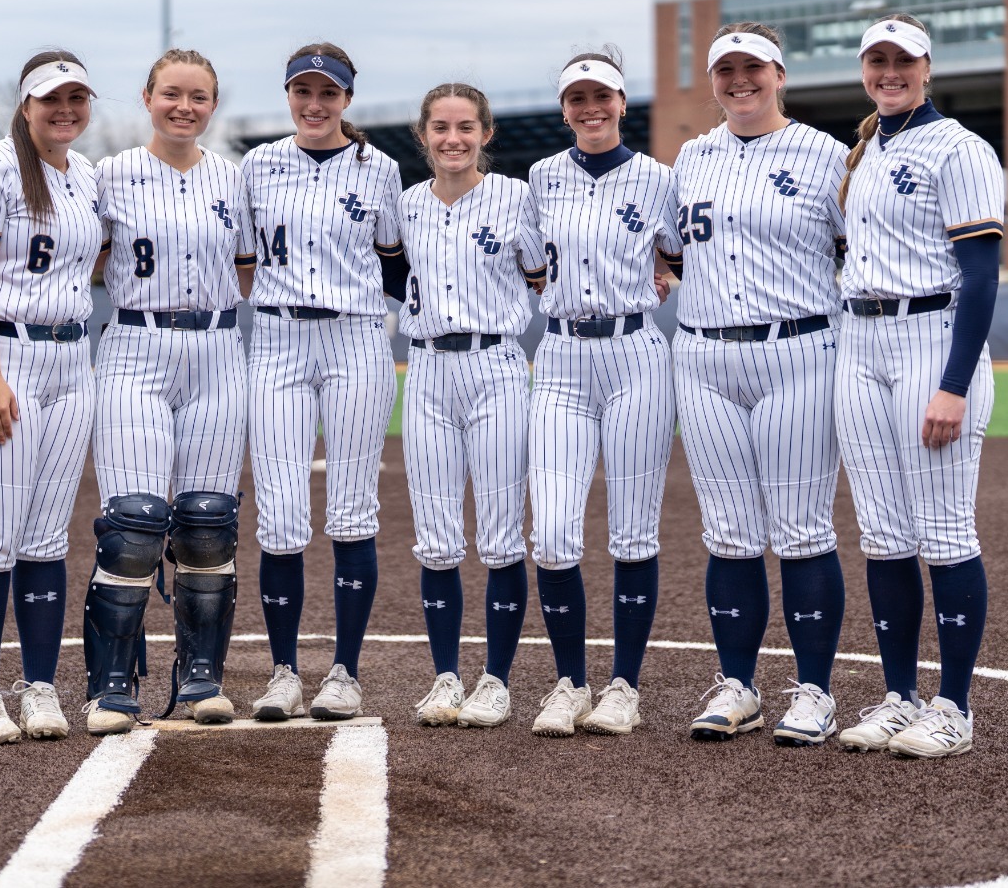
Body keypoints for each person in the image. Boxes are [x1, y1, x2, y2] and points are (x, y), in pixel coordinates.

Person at [671, 24, 851, 744]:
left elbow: (859, 247)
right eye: (726, 69)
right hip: (704, 355)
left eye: (753, 67)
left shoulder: (827, 154)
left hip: (797, 349)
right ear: (713, 80)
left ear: (780, 74)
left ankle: (815, 692)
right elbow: (670, 248)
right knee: (729, 532)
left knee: (802, 528)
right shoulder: (691, 157)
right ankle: (738, 686)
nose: (739, 80)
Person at [832, 14, 1003, 758]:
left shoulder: (960, 148)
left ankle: (954, 706)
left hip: (932, 338)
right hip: (860, 340)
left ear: (928, 67)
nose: (890, 72)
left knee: (945, 531)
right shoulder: (868, 147)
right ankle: (899, 695)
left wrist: (954, 384)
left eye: (903, 60)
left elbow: (982, 275)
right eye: (877, 59)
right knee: (883, 535)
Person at [82, 49, 249, 733]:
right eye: (172, 93)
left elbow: (251, 267)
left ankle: (201, 675)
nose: (185, 106)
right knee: (134, 524)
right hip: (135, 344)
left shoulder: (235, 179)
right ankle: (110, 684)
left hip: (217, 349)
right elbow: (77, 253)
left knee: (208, 523)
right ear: (147, 98)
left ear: (214, 105)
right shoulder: (109, 175)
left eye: (198, 96)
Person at [0, 50, 103, 745]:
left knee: (45, 538)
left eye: (76, 98)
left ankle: (39, 686)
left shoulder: (85, 175)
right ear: (26, 104)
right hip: (3, 355)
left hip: (71, 358)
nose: (64, 110)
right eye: (50, 99)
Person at [240, 43, 405, 721]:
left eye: (327, 92)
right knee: (280, 516)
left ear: (346, 99)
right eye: (303, 90)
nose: (314, 103)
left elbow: (397, 263)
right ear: (288, 94)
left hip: (355, 338)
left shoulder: (380, 168)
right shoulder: (257, 165)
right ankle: (283, 672)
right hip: (277, 337)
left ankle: (344, 672)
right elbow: (239, 257)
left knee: (351, 510)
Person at [522, 51, 681, 737]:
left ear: (622, 102)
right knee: (554, 533)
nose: (590, 108)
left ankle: (623, 686)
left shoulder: (659, 178)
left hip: (635, 352)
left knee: (632, 529)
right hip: (560, 355)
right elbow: (530, 264)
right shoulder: (540, 177)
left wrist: (660, 274)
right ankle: (568, 682)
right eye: (577, 98)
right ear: (565, 109)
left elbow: (684, 253)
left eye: (602, 96)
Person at [399, 83, 546, 732]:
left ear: (486, 133)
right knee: (435, 538)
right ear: (423, 135)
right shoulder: (406, 205)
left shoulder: (517, 197)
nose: (452, 139)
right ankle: (446, 676)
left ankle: (497, 680)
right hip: (427, 367)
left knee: (501, 535)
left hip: (496, 365)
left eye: (465, 127)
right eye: (440, 127)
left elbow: (546, 273)